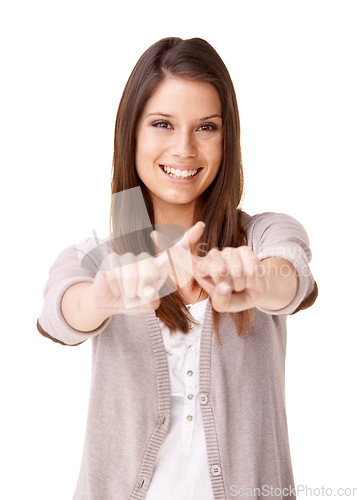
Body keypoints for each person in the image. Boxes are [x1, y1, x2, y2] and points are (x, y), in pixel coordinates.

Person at [37, 37, 318, 500]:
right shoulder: (97, 256)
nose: (184, 148)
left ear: (228, 138)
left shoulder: (264, 234)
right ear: (132, 134)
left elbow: (294, 277)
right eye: (163, 123)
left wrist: (258, 281)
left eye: (206, 127)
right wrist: (100, 299)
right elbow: (58, 313)